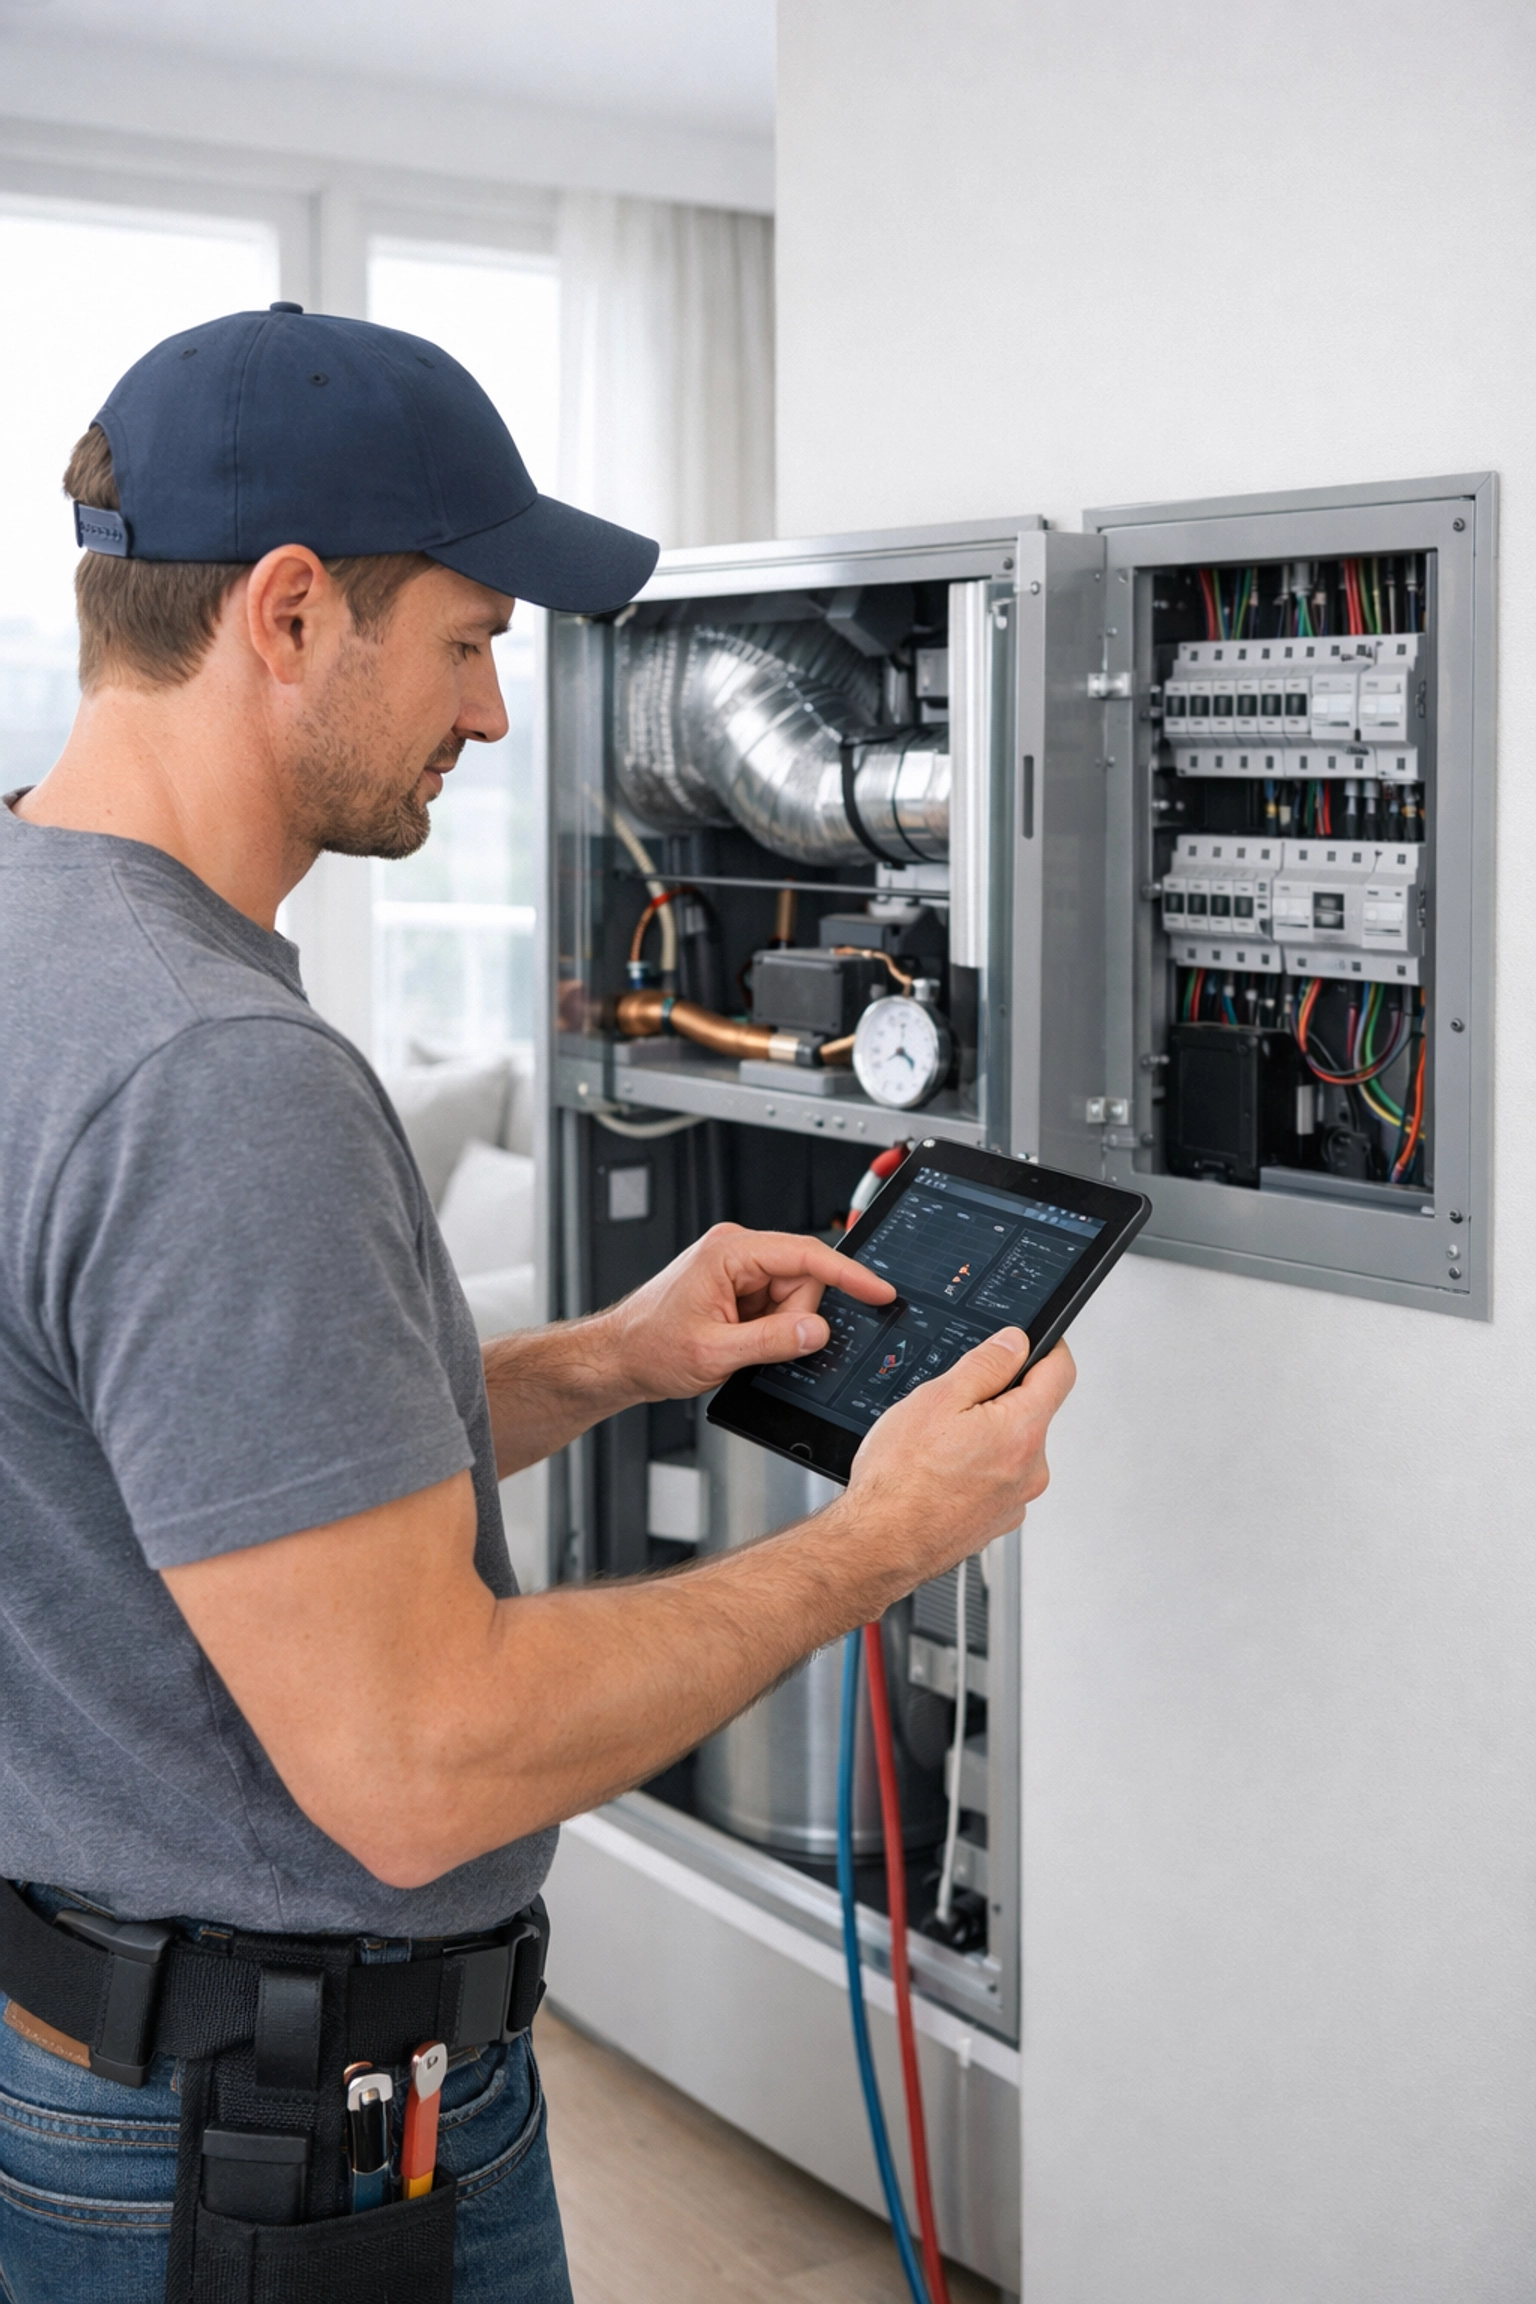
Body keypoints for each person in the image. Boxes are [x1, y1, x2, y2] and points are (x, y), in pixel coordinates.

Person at [0, 304, 1075, 2304]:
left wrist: (608, 1362)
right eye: (471, 641)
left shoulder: (37, 939)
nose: (498, 716)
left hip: (102, 2075)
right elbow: (423, 1762)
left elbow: (201, 1470)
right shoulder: (213, 1071)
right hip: (278, 2161)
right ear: (290, 613)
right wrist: (881, 1545)